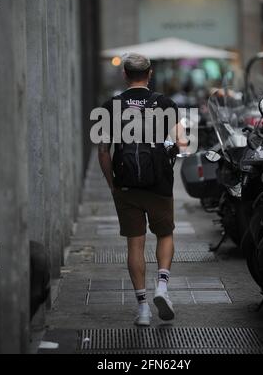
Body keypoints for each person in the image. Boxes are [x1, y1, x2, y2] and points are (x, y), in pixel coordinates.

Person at [98, 53, 188, 327]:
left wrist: (112, 184)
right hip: (159, 183)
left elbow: (103, 151)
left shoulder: (110, 107)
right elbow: (183, 142)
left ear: (124, 75)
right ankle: (162, 285)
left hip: (126, 184)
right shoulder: (165, 104)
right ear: (149, 74)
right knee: (165, 234)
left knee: (135, 244)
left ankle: (143, 309)